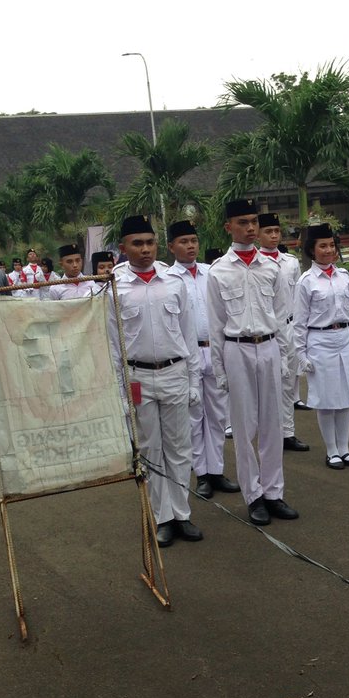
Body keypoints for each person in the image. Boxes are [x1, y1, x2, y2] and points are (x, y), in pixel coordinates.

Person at [110, 215, 203, 549]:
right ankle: (162, 517)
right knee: (151, 450)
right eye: (137, 244)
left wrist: (193, 380)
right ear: (123, 248)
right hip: (138, 377)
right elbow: (111, 344)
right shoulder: (114, 287)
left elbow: (189, 334)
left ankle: (182, 514)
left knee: (179, 448)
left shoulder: (173, 281)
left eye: (149, 242)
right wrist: (120, 392)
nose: (145, 250)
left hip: (175, 373)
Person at [206, 197, 298, 526]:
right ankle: (254, 495)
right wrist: (220, 372)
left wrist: (286, 361)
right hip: (237, 348)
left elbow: (283, 318)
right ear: (228, 227)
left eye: (253, 222)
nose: (249, 228)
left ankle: (274, 492)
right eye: (242, 222)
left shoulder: (272, 267)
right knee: (244, 428)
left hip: (269, 346)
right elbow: (216, 326)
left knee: (273, 423)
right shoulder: (218, 272)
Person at [165, 220, 239, 501]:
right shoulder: (169, 279)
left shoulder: (211, 273)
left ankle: (217, 470)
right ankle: (202, 474)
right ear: (171, 246)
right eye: (183, 242)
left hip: (216, 348)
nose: (190, 246)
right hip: (188, 353)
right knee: (194, 418)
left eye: (194, 240)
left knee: (218, 414)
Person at [292, 224, 349, 469]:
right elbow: (299, 322)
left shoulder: (343, 276)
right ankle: (331, 450)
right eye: (322, 246)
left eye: (331, 245)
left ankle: (345, 449)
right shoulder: (306, 281)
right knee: (326, 399)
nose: (328, 250)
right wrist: (301, 355)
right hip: (320, 342)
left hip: (344, 338)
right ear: (312, 250)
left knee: (344, 398)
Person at [257, 212, 309, 450]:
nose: (274, 235)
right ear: (258, 234)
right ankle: (269, 432)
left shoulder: (291, 262)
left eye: (277, 231)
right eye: (268, 231)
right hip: (266, 330)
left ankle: (288, 432)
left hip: (289, 326)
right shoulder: (255, 263)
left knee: (289, 382)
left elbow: (298, 297)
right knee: (267, 385)